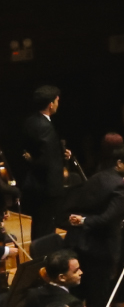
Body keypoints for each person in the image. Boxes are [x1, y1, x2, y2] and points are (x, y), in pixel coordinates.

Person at [65, 137, 124, 307]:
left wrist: (81, 221)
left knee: (78, 294)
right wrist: (85, 221)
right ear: (119, 163)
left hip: (81, 244)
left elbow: (78, 204)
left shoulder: (97, 177)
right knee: (97, 300)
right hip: (101, 250)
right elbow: (109, 218)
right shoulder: (119, 185)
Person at [18, 86, 68, 240]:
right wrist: (34, 161)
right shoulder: (45, 126)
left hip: (35, 184)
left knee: (40, 225)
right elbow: (46, 159)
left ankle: (40, 259)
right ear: (50, 104)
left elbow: (38, 149)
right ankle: (43, 260)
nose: (58, 104)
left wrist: (60, 152)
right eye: (57, 101)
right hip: (47, 186)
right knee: (45, 228)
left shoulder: (30, 121)